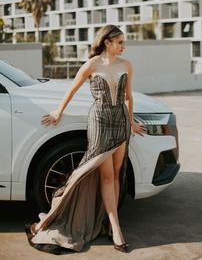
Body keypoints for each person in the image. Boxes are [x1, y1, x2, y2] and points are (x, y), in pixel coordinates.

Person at [25, 24, 146, 254]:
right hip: (99, 121)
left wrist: (131, 122)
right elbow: (71, 89)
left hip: (120, 122)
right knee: (105, 174)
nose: (123, 46)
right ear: (107, 42)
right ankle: (116, 230)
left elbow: (128, 97)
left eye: (123, 42)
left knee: (117, 174)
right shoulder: (92, 64)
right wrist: (58, 112)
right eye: (120, 42)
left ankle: (112, 225)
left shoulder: (126, 65)